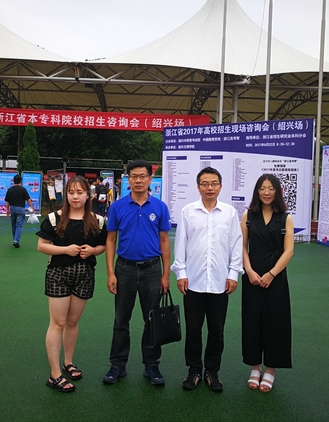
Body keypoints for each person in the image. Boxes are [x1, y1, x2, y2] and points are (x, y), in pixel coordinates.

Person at [171, 167, 243, 392]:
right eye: (205, 184)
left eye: (214, 183)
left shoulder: (230, 213)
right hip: (193, 282)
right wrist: (181, 273)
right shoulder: (188, 212)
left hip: (220, 283)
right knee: (193, 331)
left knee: (216, 331)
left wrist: (233, 274)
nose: (209, 187)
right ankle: (194, 370)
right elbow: (180, 243)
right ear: (198, 187)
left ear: (220, 186)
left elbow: (237, 244)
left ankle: (212, 371)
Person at [103, 159, 172, 386]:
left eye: (143, 176)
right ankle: (117, 365)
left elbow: (164, 241)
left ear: (150, 179)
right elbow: (111, 240)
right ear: (128, 180)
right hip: (124, 269)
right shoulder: (117, 207)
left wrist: (165, 274)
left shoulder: (160, 207)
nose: (138, 180)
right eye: (134, 176)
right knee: (121, 320)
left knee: (151, 320)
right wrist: (110, 272)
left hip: (152, 269)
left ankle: (151, 365)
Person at [36, 176, 107, 393]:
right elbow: (42, 246)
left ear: (88, 195)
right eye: (71, 192)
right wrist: (65, 250)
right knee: (58, 323)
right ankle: (54, 374)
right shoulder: (54, 218)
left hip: (85, 275)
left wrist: (93, 251)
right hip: (58, 274)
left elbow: (103, 245)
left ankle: (68, 362)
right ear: (66, 195)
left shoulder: (98, 220)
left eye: (80, 192)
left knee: (73, 321)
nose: (75, 197)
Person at [241, 174, 294, 393]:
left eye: (271, 188)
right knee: (252, 322)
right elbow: (242, 247)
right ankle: (255, 366)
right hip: (252, 277)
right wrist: (249, 271)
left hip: (276, 278)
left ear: (277, 191)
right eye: (262, 188)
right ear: (257, 191)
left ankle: (271, 368)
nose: (266, 192)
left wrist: (271, 274)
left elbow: (288, 250)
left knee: (276, 323)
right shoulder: (248, 216)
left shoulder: (285, 218)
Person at [4, 174, 34, 248]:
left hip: (12, 208)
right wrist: (31, 207)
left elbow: (7, 201)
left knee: (13, 225)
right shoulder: (23, 189)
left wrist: (7, 209)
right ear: (20, 181)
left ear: (13, 181)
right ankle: (16, 241)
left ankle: (15, 239)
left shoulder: (10, 190)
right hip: (20, 209)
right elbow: (28, 199)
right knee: (19, 225)